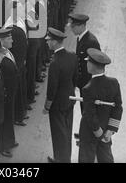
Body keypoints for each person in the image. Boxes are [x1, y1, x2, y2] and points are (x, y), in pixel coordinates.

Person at [78, 48, 123, 163]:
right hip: (106, 128)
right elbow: (118, 107)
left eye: (88, 61)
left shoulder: (88, 89)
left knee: (86, 158)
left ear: (93, 66)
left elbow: (90, 114)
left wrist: (99, 133)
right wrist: (109, 130)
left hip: (90, 132)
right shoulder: (114, 83)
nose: (86, 63)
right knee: (106, 158)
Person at [43, 28, 78, 163]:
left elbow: (52, 90)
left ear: (55, 42)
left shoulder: (54, 63)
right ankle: (65, 158)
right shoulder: (72, 56)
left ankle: (60, 160)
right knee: (67, 131)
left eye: (49, 41)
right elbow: (75, 79)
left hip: (57, 104)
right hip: (69, 99)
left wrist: (46, 107)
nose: (47, 43)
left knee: (58, 134)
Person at [68, 14, 100, 116]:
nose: (71, 29)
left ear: (82, 26)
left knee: (88, 110)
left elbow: (97, 65)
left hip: (89, 82)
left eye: (74, 26)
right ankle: (84, 130)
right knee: (84, 108)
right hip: (83, 82)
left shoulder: (91, 42)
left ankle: (87, 131)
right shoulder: (81, 38)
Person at [0, 28, 19, 158]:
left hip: (11, 92)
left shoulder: (6, 51)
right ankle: (2, 146)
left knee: (9, 116)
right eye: (9, 38)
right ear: (2, 41)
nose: (12, 40)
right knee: (3, 119)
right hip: (4, 94)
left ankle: (9, 139)